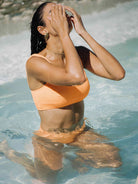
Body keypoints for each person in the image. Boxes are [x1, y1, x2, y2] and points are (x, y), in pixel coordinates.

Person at [0, 2, 125, 184]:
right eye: (54, 13)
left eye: (62, 11)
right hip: (50, 138)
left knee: (115, 162)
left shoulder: (79, 55)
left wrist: (83, 33)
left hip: (80, 131)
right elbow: (75, 77)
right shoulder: (35, 63)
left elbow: (118, 74)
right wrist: (66, 34)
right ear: (42, 30)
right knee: (46, 180)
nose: (61, 15)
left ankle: (74, 157)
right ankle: (12, 154)